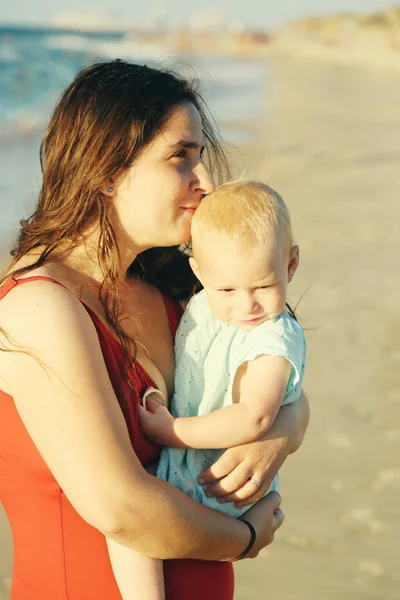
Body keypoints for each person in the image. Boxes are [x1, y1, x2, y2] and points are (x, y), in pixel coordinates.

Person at [0, 60, 309, 600]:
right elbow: (121, 509)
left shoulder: (176, 297)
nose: (206, 184)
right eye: (180, 159)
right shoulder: (38, 308)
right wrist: (244, 536)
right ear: (107, 169)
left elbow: (284, 373)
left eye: (202, 160)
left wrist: (278, 435)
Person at [106, 181, 307, 599]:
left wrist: (171, 431)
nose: (246, 306)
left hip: (222, 480)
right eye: (229, 290)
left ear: (290, 266)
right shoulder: (202, 303)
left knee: (131, 525)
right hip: (194, 466)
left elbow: (255, 415)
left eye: (263, 287)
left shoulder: (272, 338)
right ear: (200, 272)